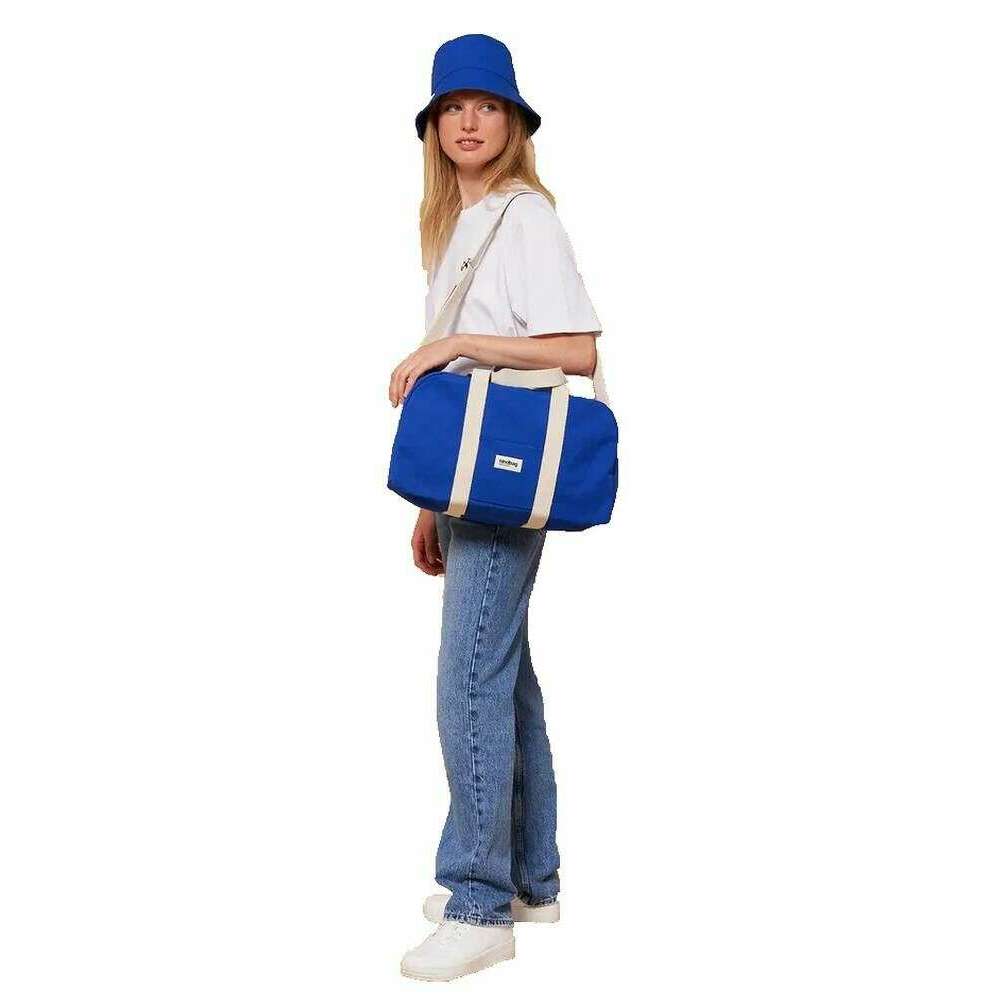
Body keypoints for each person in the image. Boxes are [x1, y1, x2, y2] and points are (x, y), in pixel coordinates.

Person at [389, 34, 604, 982]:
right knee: (503, 677)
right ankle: (527, 878)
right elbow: (467, 391)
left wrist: (453, 345)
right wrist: (432, 503)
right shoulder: (463, 223)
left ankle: (477, 902)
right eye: (452, 108)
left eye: (487, 106)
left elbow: (574, 351)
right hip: (473, 482)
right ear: (433, 128)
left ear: (513, 124)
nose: (468, 121)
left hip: (508, 479)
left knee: (468, 678)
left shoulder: (524, 218)